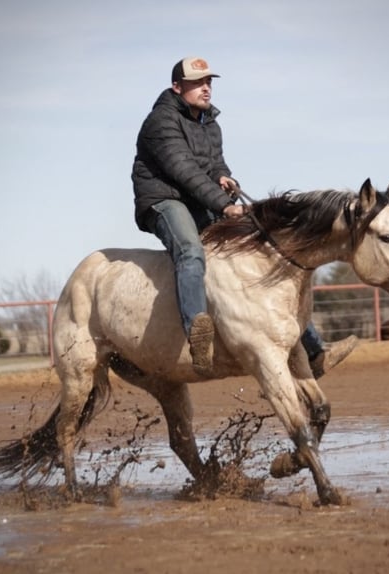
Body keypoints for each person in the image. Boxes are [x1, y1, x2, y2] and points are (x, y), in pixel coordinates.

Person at [132, 56, 357, 377]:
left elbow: (214, 165)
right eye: (197, 83)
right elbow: (185, 172)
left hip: (198, 199)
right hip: (164, 200)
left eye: (209, 82)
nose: (206, 88)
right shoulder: (160, 122)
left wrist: (225, 178)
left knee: (255, 248)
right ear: (177, 87)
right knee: (191, 251)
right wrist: (224, 206)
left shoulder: (210, 122)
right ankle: (197, 334)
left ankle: (315, 350)